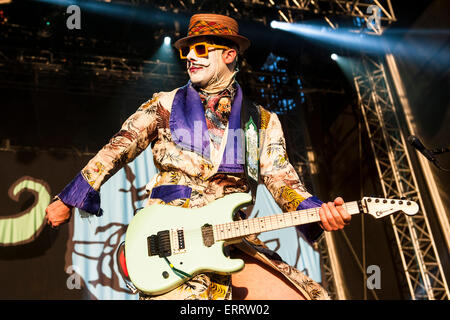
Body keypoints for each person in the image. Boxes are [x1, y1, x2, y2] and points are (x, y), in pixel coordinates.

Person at [45, 13, 351, 300]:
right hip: (171, 240)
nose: (191, 57)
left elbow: (281, 179)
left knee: (309, 295)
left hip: (230, 234)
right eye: (187, 51)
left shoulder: (262, 121)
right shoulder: (164, 105)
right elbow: (116, 149)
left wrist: (319, 212)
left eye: (201, 49)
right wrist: (69, 198)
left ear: (229, 54)